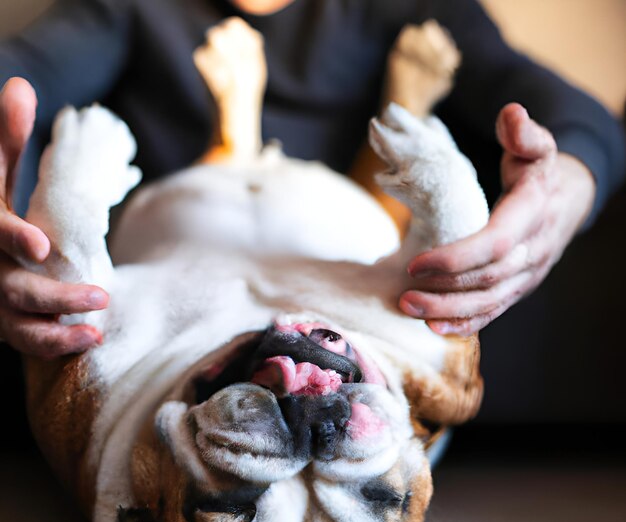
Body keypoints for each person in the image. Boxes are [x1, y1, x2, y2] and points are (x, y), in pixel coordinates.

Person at [0, 0, 624, 359]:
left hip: (356, 259)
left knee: (394, 218)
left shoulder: (417, 7)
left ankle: (379, 128)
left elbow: (565, 109)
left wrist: (562, 187)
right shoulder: (126, 7)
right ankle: (249, 145)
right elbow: (22, 70)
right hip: (185, 261)